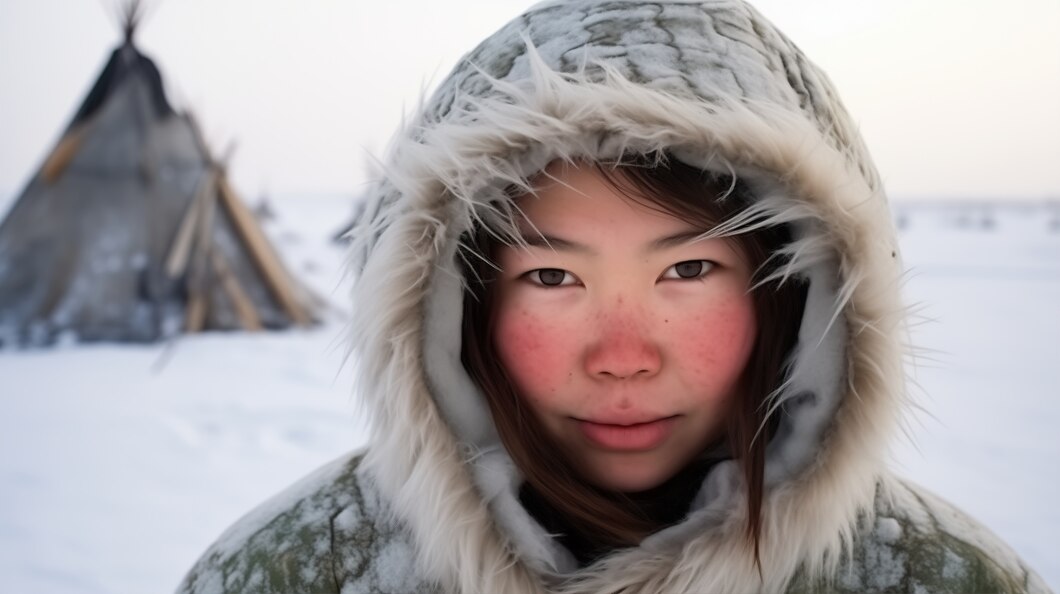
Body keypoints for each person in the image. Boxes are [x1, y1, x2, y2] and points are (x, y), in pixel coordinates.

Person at [177, 1, 1051, 593]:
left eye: (688, 272)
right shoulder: (299, 572)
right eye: (553, 278)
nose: (624, 355)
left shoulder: (944, 578)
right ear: (458, 305)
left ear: (797, 297)